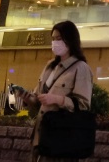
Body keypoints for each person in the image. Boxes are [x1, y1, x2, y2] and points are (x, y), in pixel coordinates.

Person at [24, 20, 93, 162]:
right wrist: (26, 97)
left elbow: (83, 105)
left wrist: (57, 99)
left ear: (70, 40)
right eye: (53, 39)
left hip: (62, 138)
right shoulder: (50, 66)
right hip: (41, 136)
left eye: (59, 39)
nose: (55, 42)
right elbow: (38, 99)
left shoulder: (81, 68)